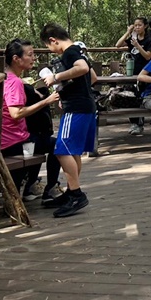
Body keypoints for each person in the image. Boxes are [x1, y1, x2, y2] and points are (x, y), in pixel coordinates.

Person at [39, 23, 95, 218]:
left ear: (53, 40)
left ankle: (77, 194)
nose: (50, 50)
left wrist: (57, 77)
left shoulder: (70, 52)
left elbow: (82, 68)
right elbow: (92, 76)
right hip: (85, 105)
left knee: (61, 150)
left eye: (48, 46)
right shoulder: (80, 50)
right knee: (73, 151)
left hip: (76, 108)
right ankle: (72, 191)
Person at [0, 39, 60, 201]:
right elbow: (16, 113)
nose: (33, 58)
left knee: (38, 140)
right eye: (30, 55)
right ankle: (50, 190)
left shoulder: (3, 77)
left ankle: (30, 186)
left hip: (8, 141)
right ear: (16, 59)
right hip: (14, 145)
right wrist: (46, 101)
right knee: (57, 144)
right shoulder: (15, 83)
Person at [116, 17, 151, 136]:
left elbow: (148, 56)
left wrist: (137, 45)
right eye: (135, 25)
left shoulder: (149, 39)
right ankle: (135, 122)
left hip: (145, 72)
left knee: (140, 97)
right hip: (132, 73)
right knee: (129, 95)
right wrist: (128, 32)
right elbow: (118, 45)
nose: (137, 27)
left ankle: (139, 122)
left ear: (145, 26)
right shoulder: (132, 39)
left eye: (139, 25)